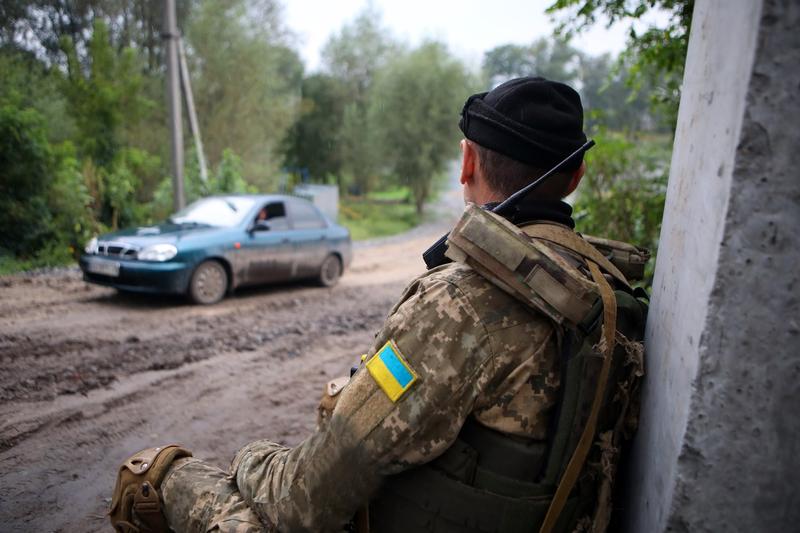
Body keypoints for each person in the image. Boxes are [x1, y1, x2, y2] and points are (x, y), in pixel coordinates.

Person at [109, 77, 648, 533]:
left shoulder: (464, 301)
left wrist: (250, 458)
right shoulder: (605, 288)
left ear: (466, 164)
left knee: (156, 475)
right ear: (574, 178)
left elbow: (304, 500)